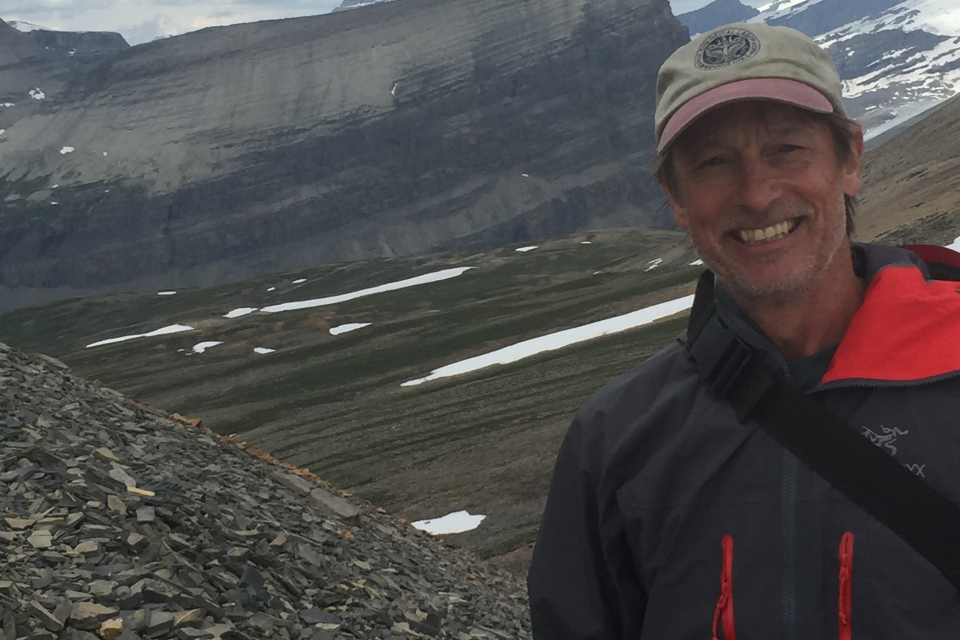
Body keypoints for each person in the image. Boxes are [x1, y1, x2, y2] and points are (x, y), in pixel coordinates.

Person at [527, 21, 960, 639]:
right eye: (713, 163)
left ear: (850, 160)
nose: (756, 194)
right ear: (674, 196)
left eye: (786, 149)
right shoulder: (615, 439)